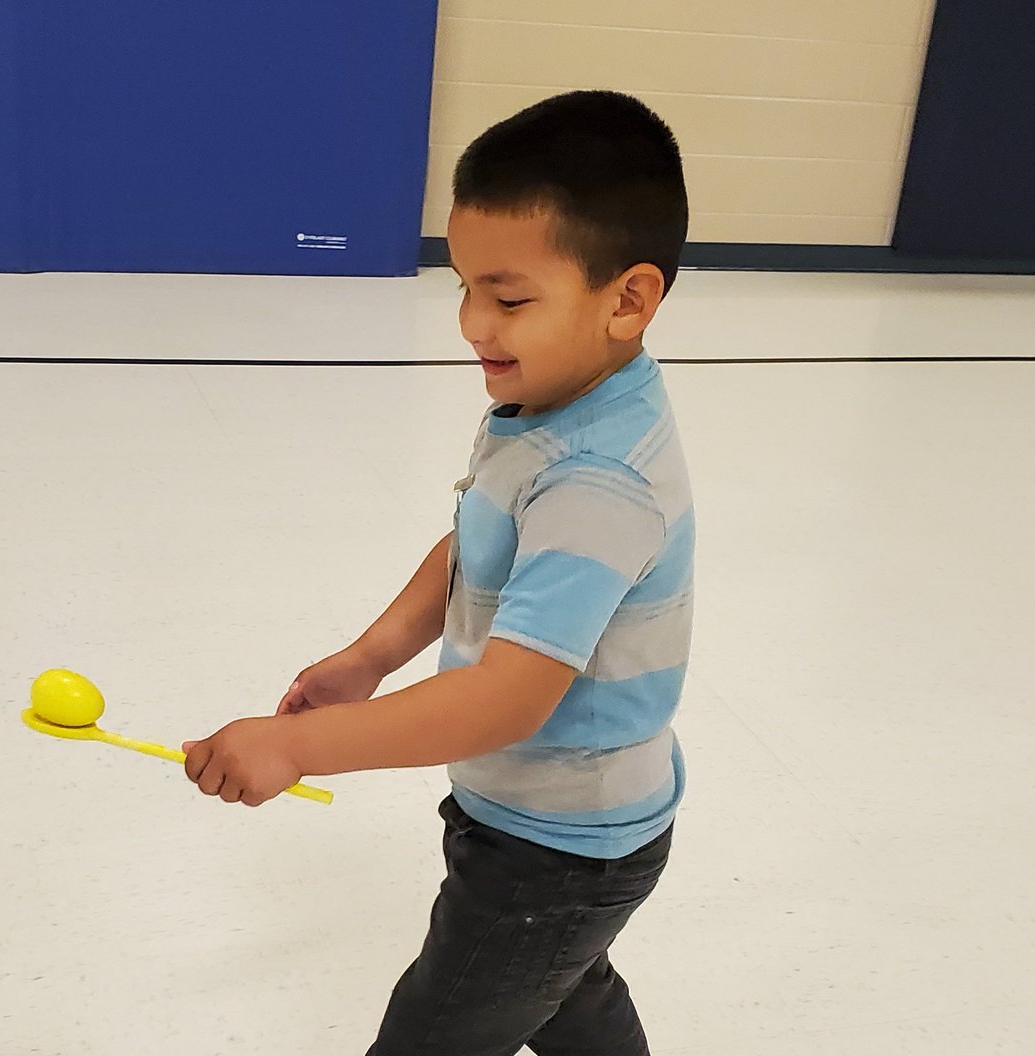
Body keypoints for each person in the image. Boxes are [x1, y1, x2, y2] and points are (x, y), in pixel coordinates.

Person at [183, 89, 694, 1056]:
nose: (472, 324)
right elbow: (477, 536)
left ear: (627, 299)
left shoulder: (597, 479)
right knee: (569, 995)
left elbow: (507, 699)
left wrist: (303, 746)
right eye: (463, 287)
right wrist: (374, 652)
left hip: (558, 852)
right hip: (548, 823)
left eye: (508, 299)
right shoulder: (554, 397)